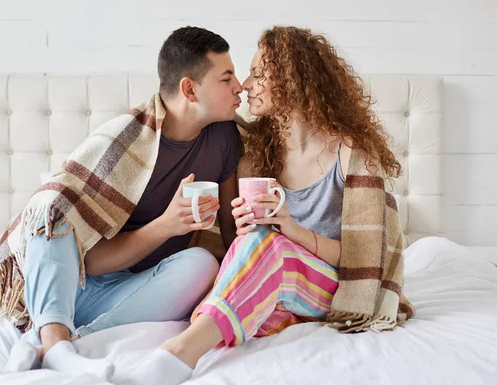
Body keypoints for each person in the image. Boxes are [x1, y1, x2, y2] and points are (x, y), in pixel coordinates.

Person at [115, 26, 414, 385]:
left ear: (293, 80)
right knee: (255, 244)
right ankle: (220, 325)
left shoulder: (352, 156)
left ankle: (180, 353)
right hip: (274, 277)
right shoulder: (256, 154)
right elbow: (244, 244)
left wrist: (292, 232)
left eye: (259, 72)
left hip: (334, 283)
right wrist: (244, 228)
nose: (245, 83)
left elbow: (364, 259)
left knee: (273, 248)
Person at [0, 26, 246, 380]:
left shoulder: (224, 139)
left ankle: (60, 345)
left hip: (138, 289)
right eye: (226, 78)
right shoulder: (123, 144)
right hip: (72, 283)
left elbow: (232, 236)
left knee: (202, 263)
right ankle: (53, 336)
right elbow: (91, 262)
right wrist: (166, 226)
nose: (240, 86)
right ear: (190, 89)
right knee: (51, 205)